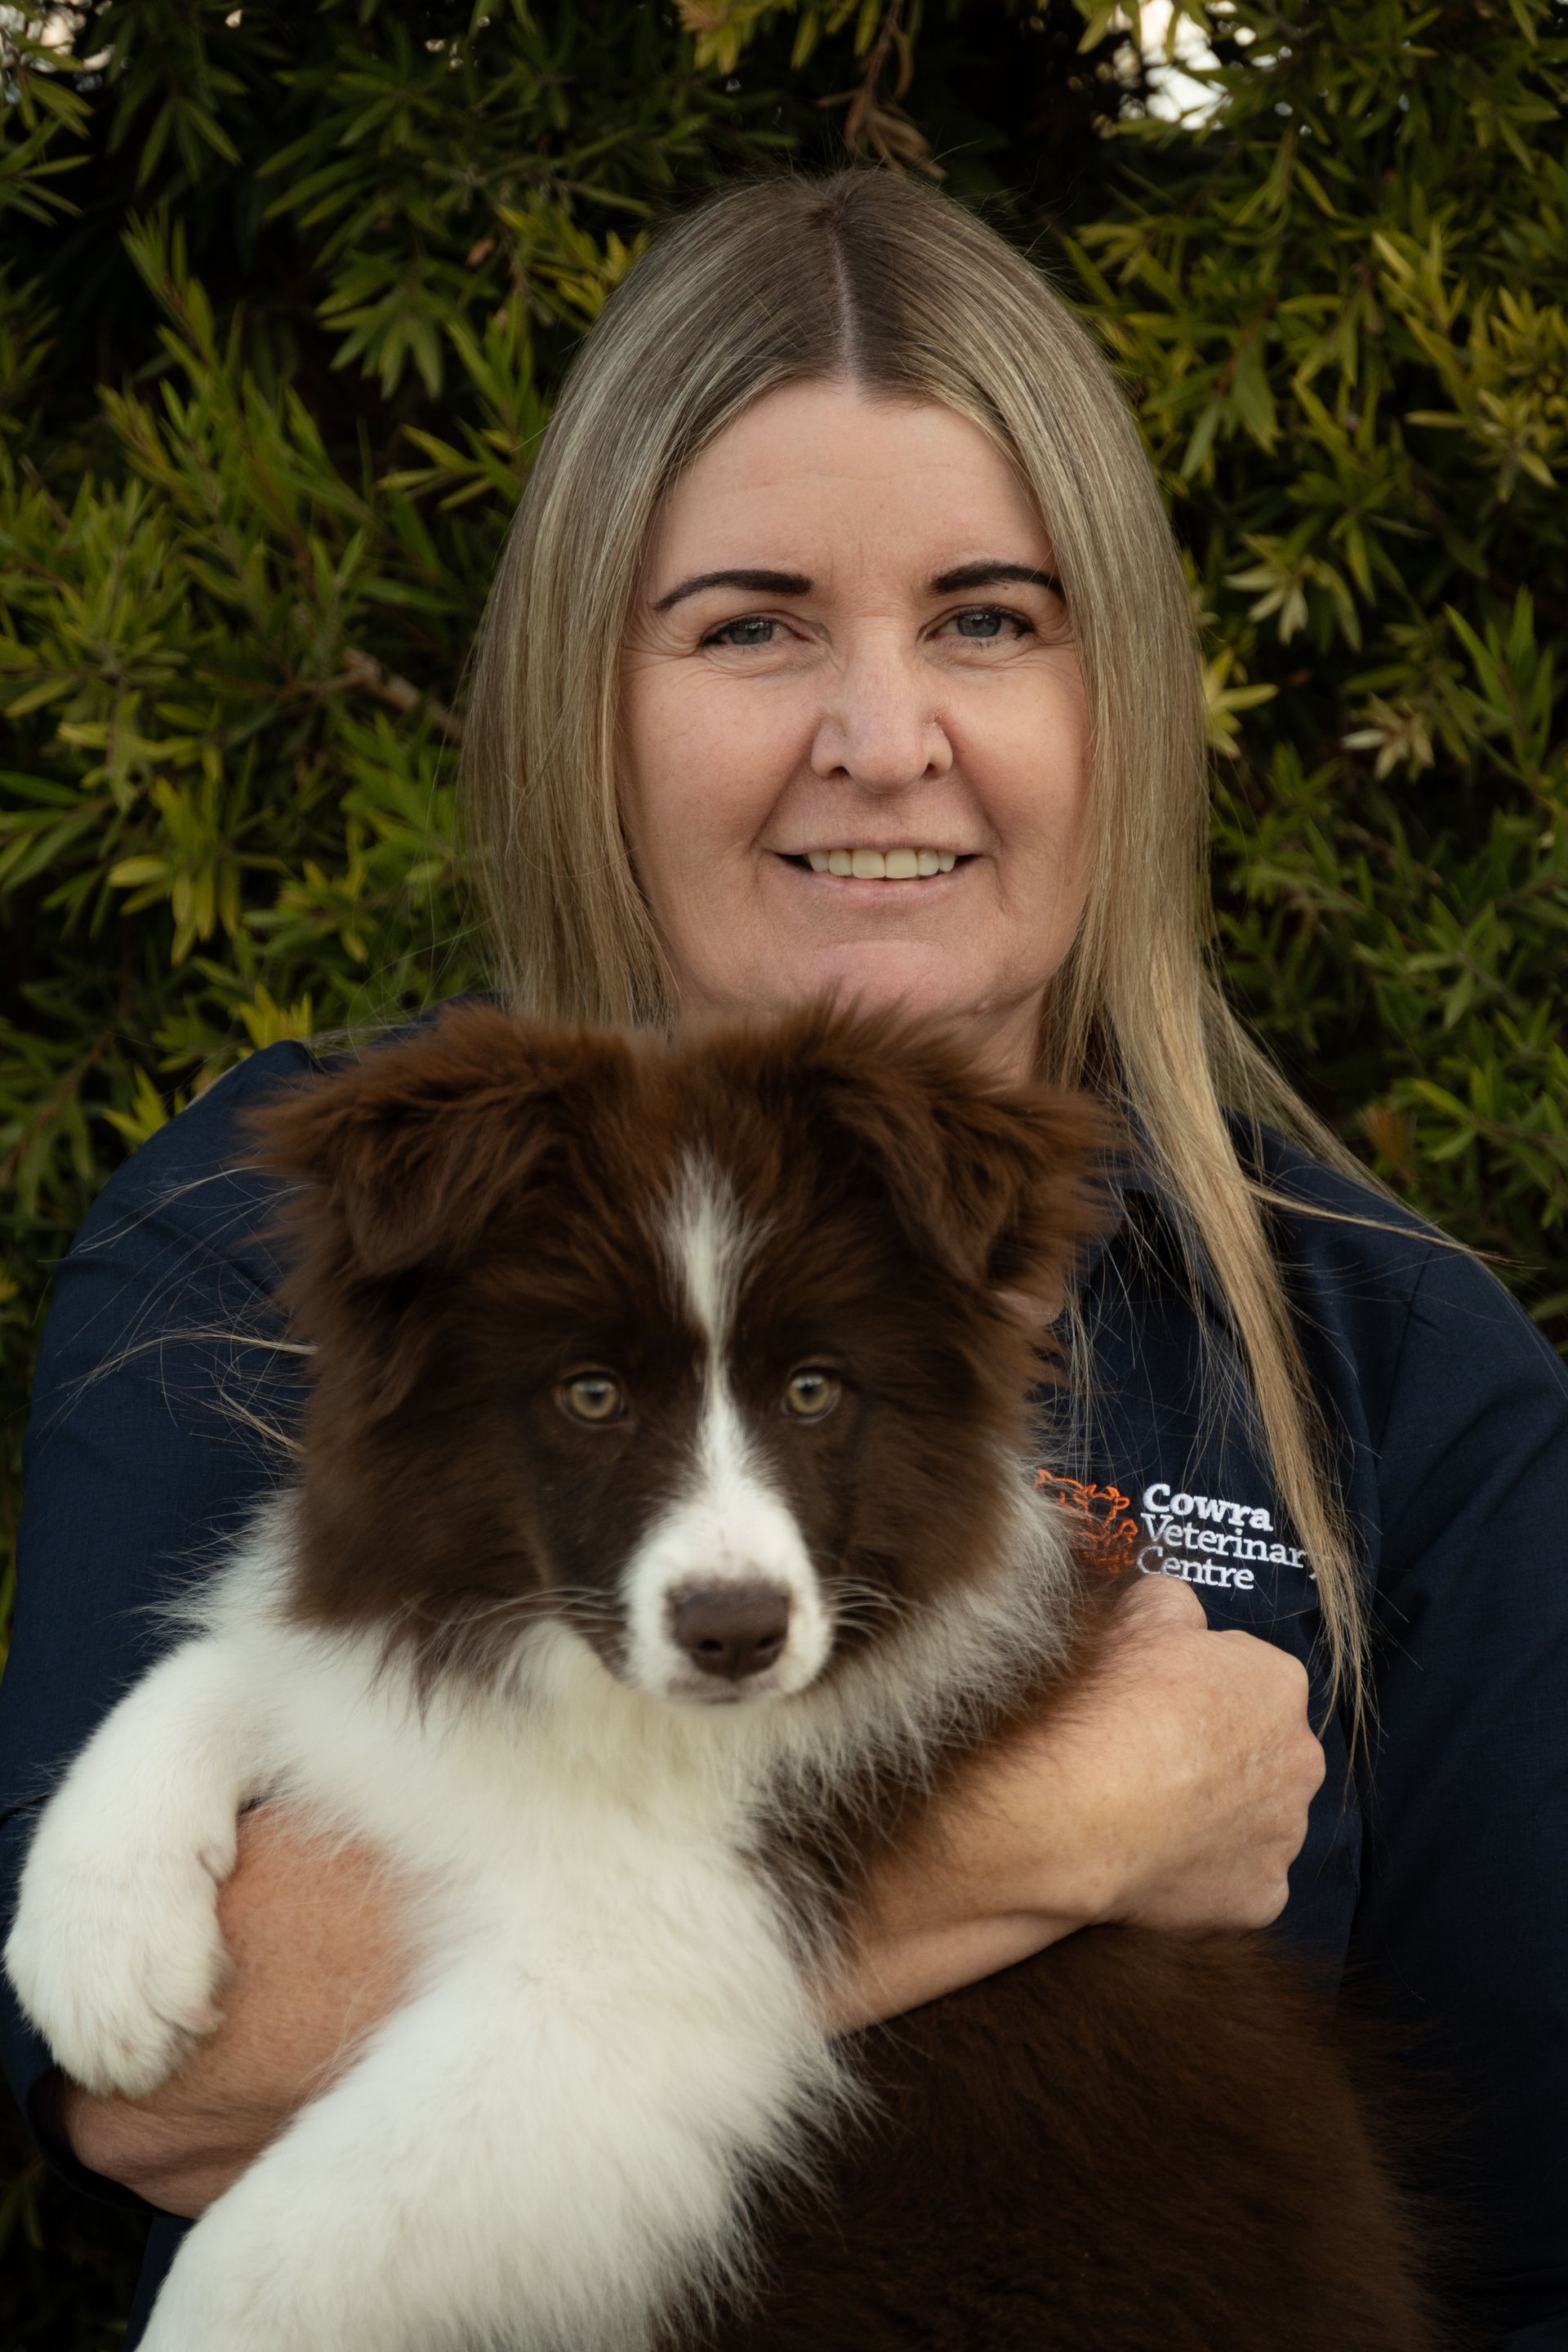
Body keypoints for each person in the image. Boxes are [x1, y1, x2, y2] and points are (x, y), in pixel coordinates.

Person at [2, 169, 1565, 2348]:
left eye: (991, 618)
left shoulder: (1396, 1367)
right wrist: (1063, 1816)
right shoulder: (307, 1231)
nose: (884, 734)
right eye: (754, 624)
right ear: (590, 694)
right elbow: (156, 2072)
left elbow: (1522, 2258)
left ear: (1122, 698)